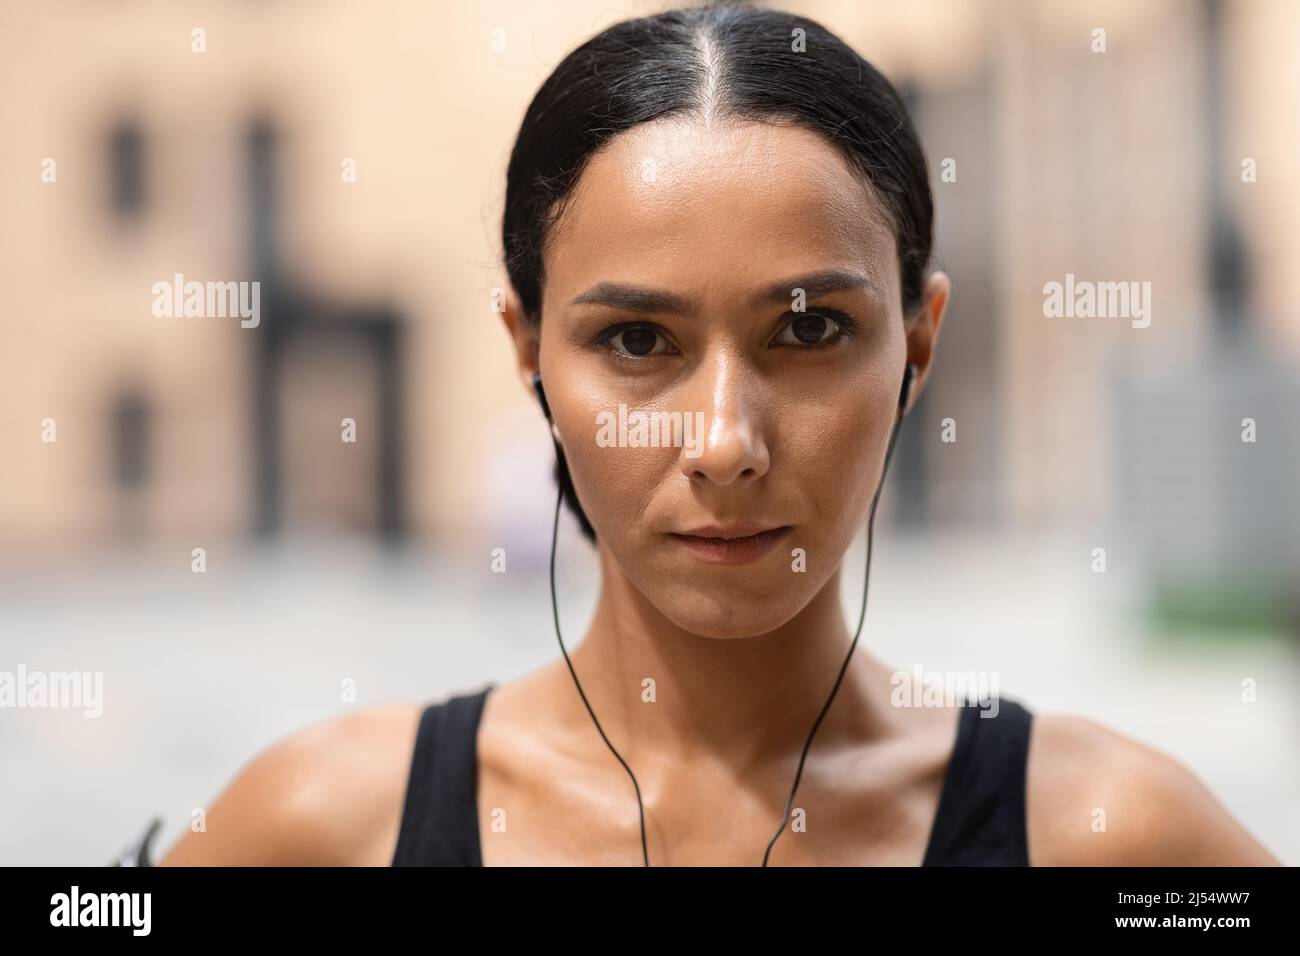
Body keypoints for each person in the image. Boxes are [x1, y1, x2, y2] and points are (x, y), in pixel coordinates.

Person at [160, 4, 1280, 867]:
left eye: (809, 328)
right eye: (639, 339)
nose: (725, 440)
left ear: (918, 344)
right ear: (527, 346)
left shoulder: (1114, 840)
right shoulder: (320, 828)